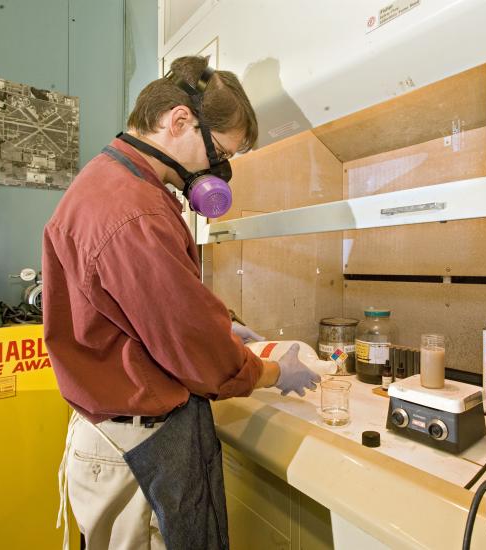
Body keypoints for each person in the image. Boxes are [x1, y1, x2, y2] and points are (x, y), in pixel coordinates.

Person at [42, 56, 320, 550]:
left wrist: (223, 323)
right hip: (140, 447)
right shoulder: (136, 212)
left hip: (113, 435)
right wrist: (274, 372)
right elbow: (199, 355)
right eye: (218, 156)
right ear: (178, 121)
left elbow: (150, 304)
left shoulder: (113, 181)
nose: (217, 173)